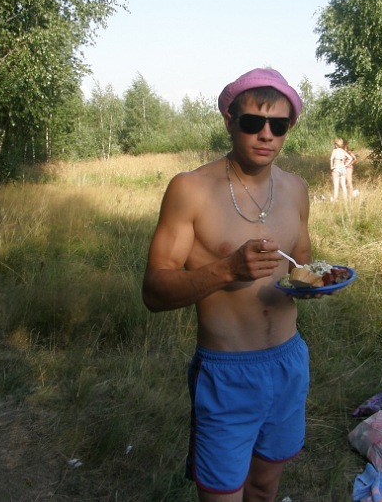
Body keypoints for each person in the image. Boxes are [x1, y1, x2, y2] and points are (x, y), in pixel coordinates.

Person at [142, 68, 312, 502]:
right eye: (253, 122)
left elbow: (303, 265)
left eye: (278, 125)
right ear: (229, 121)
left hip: (289, 362)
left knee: (265, 486)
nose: (266, 134)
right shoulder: (191, 189)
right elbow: (154, 292)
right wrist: (227, 270)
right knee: (222, 494)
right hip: (227, 372)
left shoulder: (295, 188)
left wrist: (318, 281)